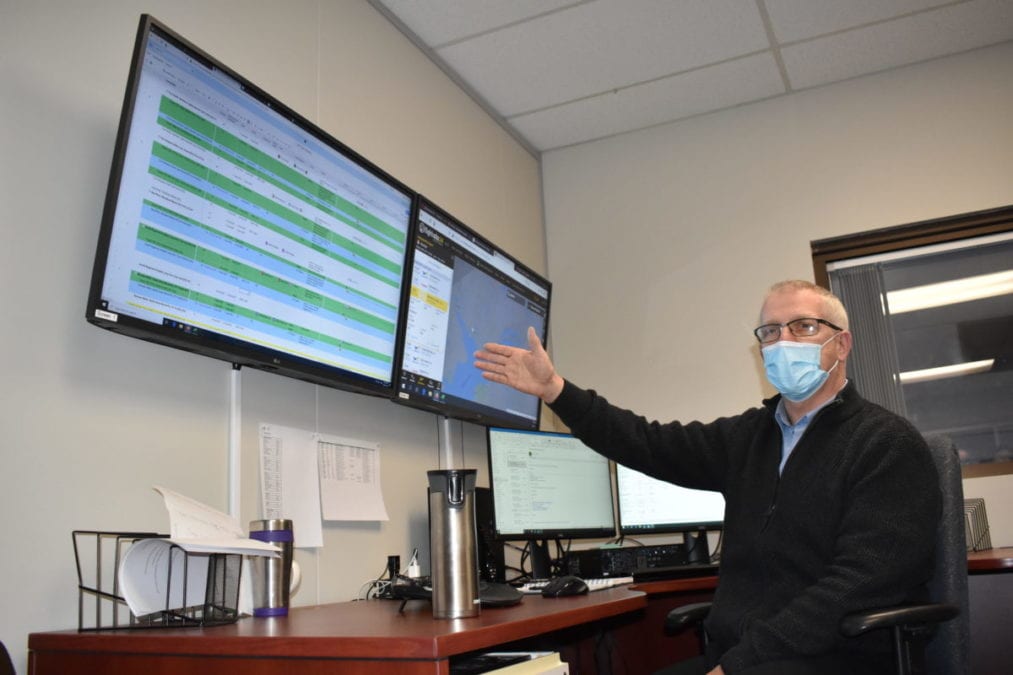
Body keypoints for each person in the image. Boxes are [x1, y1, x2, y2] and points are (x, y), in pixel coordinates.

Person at [474, 280, 940, 675]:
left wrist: (739, 665)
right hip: (745, 658)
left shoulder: (886, 445)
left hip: (833, 659)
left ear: (842, 343)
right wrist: (556, 391)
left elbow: (852, 588)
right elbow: (647, 442)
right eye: (771, 331)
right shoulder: (748, 437)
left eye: (804, 326)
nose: (785, 341)